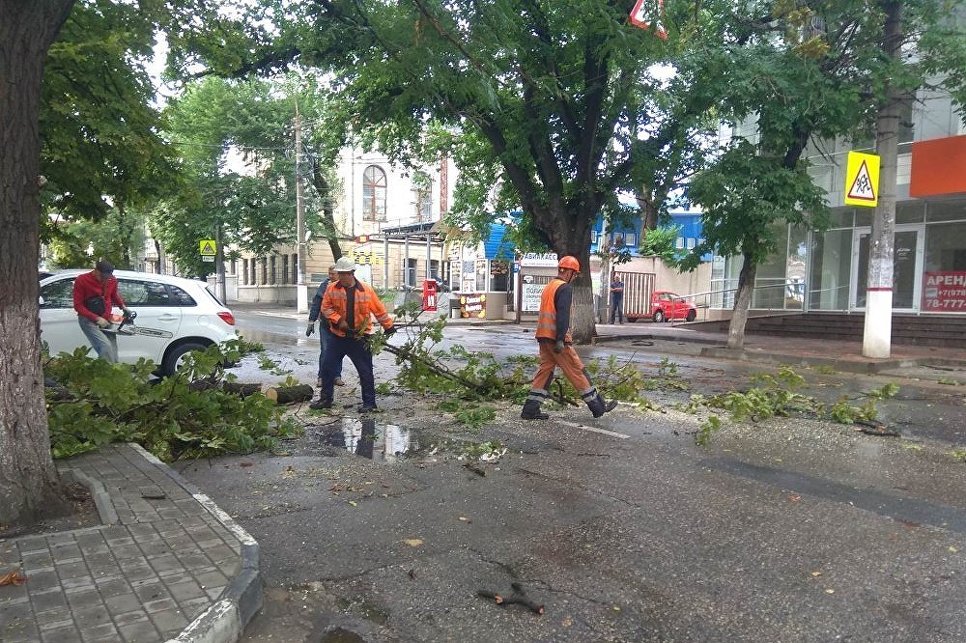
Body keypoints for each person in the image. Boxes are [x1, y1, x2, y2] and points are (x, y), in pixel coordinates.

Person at [521, 256, 618, 420]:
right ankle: (598, 407)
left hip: (543, 337)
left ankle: (530, 410)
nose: (575, 278)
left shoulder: (549, 287)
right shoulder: (564, 288)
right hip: (557, 339)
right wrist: (560, 338)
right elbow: (563, 315)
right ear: (570, 272)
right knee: (578, 371)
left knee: (545, 372)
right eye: (575, 274)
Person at [310, 257, 396, 413]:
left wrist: (388, 326)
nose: (342, 277)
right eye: (340, 273)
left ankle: (369, 403)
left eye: (345, 274)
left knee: (365, 371)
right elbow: (326, 308)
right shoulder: (331, 289)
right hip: (338, 336)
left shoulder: (366, 290)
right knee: (327, 367)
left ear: (352, 273)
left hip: (360, 337)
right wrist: (338, 321)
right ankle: (325, 399)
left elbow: (379, 310)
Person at [72, 259, 131, 362]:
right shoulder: (82, 280)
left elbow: (114, 295)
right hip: (88, 319)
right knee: (105, 347)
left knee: (112, 350)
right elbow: (78, 306)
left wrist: (123, 306)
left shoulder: (111, 280)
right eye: (102, 277)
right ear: (96, 271)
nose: (104, 280)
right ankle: (105, 374)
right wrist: (96, 318)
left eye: (107, 278)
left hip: (106, 319)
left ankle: (114, 372)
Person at [306, 265, 344, 387]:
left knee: (338, 351)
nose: (330, 276)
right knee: (325, 351)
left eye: (333, 274)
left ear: (339, 274)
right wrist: (311, 320)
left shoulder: (345, 287)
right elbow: (317, 303)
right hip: (326, 325)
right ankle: (322, 377)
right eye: (329, 273)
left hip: (339, 325)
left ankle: (336, 376)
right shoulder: (324, 286)